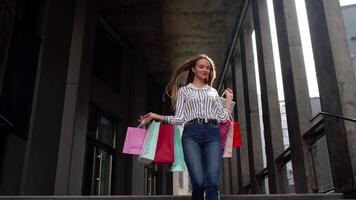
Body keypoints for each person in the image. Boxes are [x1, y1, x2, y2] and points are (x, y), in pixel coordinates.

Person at [139, 54, 233, 200]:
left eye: (208, 68)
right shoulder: (184, 91)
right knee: (198, 182)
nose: (205, 70)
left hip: (212, 134)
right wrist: (155, 116)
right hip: (191, 134)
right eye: (201, 67)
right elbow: (180, 118)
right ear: (193, 69)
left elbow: (222, 118)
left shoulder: (213, 92)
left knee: (212, 183)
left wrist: (228, 102)